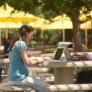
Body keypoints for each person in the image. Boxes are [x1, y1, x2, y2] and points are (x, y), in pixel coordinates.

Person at [7, 25, 49, 92]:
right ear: (26, 33)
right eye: (31, 35)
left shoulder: (16, 43)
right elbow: (28, 63)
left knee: (39, 85)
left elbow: (25, 59)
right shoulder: (21, 44)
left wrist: (40, 58)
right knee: (44, 85)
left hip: (13, 78)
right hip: (19, 79)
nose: (32, 37)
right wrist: (38, 61)